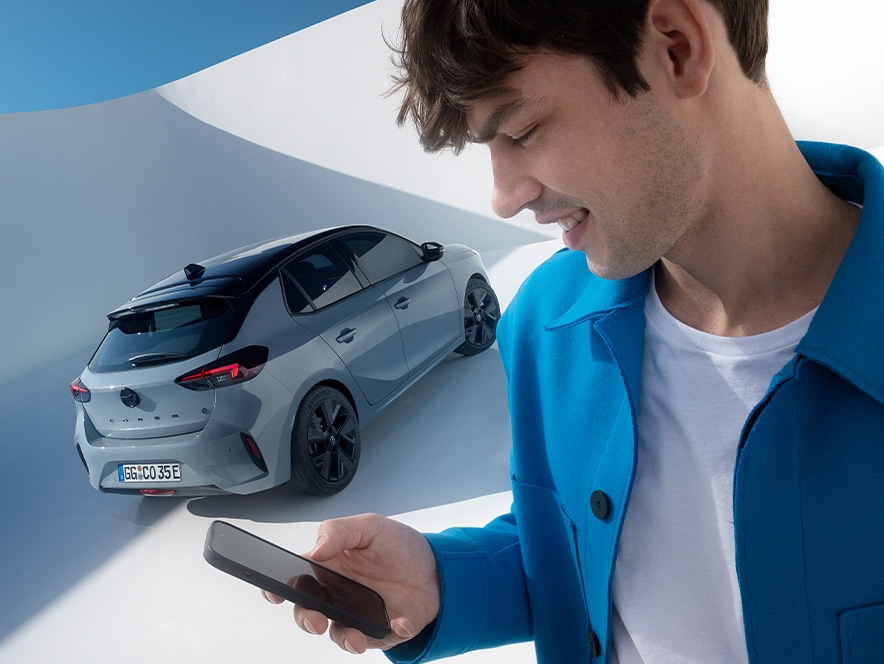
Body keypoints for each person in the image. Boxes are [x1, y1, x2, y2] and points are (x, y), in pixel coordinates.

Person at [265, 0, 884, 661]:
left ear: (677, 47)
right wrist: (445, 580)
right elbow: (588, 549)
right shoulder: (545, 324)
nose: (504, 196)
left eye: (523, 129)